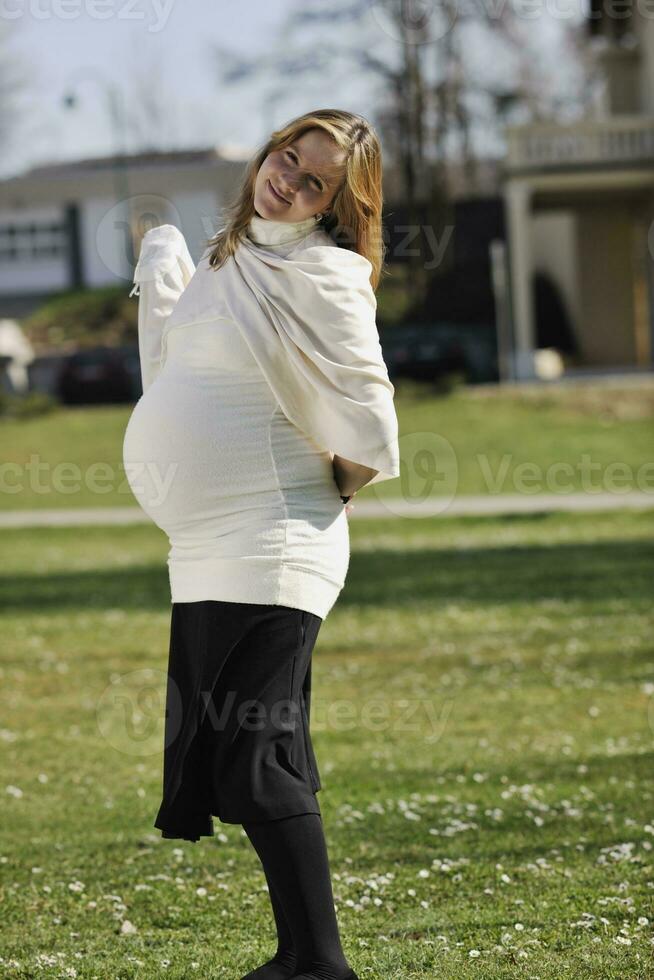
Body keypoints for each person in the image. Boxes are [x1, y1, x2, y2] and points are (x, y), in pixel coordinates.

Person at [122, 109, 400, 980]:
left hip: (273, 540)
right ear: (268, 152)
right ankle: (301, 958)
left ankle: (318, 964)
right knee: (243, 754)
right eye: (287, 157)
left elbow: (370, 425)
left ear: (332, 203)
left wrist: (330, 492)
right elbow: (182, 367)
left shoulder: (324, 273)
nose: (288, 179)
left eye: (313, 180)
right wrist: (166, 264)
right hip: (205, 546)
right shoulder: (229, 257)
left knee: (255, 760)